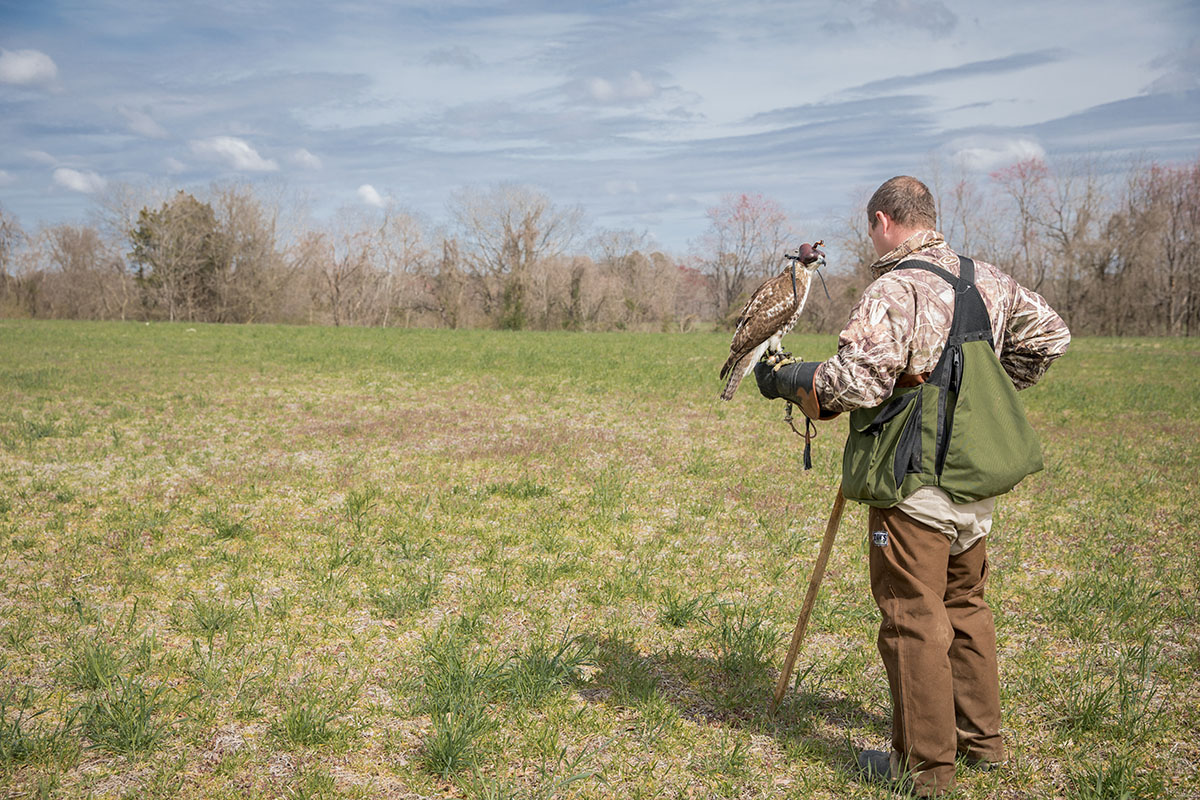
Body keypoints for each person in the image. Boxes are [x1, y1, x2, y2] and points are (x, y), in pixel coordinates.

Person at [755, 176, 1070, 796]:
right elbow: (1052, 335)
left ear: (883, 221)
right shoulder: (988, 279)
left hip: (914, 487)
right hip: (976, 481)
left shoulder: (895, 288)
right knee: (966, 605)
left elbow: (857, 385)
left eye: (870, 229)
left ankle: (924, 768)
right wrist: (983, 393)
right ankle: (982, 743)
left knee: (912, 617)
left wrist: (791, 378)